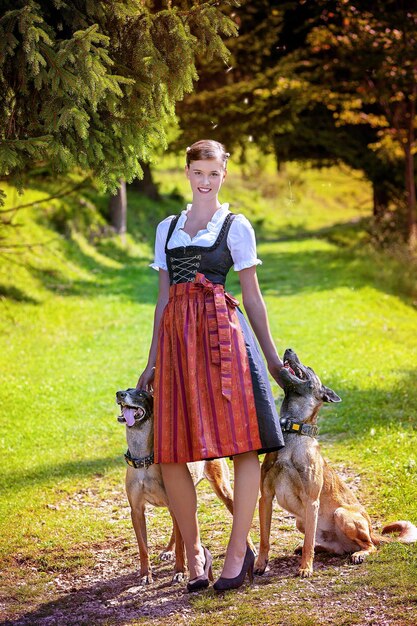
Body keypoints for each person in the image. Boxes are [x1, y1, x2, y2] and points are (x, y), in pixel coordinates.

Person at [137, 139, 284, 592]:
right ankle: (196, 551)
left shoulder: (236, 227)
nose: (205, 182)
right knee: (174, 449)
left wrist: (273, 359)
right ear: (187, 173)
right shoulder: (166, 228)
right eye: (198, 173)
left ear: (224, 175)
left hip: (225, 340)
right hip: (179, 345)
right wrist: (151, 362)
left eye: (213, 174)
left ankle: (237, 554)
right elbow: (163, 300)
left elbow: (253, 298)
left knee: (242, 445)